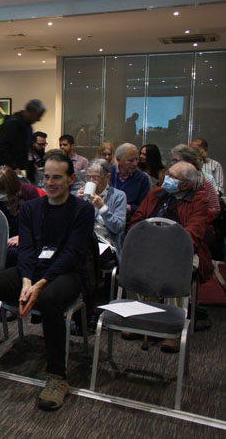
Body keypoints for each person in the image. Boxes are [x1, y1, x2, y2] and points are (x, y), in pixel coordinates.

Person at [0, 152, 94, 412]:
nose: (50, 183)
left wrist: (38, 286)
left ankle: (56, 377)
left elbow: (72, 253)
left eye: (57, 178)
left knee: (50, 301)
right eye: (47, 177)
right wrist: (28, 280)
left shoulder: (83, 210)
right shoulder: (31, 208)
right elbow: (27, 250)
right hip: (33, 269)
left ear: (72, 179)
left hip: (67, 274)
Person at [129, 161, 212, 352]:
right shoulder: (154, 194)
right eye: (168, 174)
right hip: (149, 247)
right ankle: (139, 320)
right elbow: (136, 221)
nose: (167, 178)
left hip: (181, 251)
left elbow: (193, 234)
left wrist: (165, 242)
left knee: (176, 270)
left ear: (186, 184)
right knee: (132, 264)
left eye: (173, 177)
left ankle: (172, 330)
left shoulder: (198, 201)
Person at [0, 166, 40, 267]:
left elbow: (40, 224)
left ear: (13, 188)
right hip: (4, 242)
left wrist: (23, 237)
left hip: (28, 240)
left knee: (11, 254)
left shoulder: (29, 193)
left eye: (3, 191)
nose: (0, 195)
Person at [77, 159, 127, 259]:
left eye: (95, 178)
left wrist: (103, 208)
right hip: (83, 240)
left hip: (106, 243)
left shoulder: (118, 196)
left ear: (107, 177)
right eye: (88, 177)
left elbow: (118, 228)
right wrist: (77, 203)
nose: (91, 182)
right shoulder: (82, 196)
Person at [0, 99, 46, 176]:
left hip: (22, 170)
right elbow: (2, 148)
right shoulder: (12, 124)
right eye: (38, 116)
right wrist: (13, 167)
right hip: (7, 172)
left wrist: (31, 165)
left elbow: (27, 150)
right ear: (31, 112)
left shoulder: (28, 127)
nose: (38, 119)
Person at [170, 144, 221, 222]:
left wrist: (197, 217)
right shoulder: (171, 180)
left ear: (188, 162)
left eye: (176, 160)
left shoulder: (205, 182)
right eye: (172, 160)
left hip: (199, 225)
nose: (172, 163)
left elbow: (215, 209)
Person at [110, 143, 151, 222]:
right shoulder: (108, 173)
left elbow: (145, 208)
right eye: (131, 160)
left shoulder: (142, 178)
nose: (135, 164)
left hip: (130, 221)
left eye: (136, 159)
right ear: (118, 160)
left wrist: (127, 207)